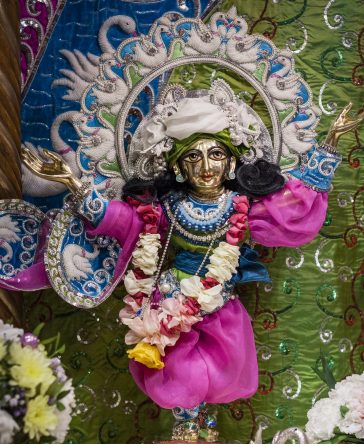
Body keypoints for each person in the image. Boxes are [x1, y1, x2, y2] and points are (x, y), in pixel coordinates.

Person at [13, 80, 347, 421]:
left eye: (216, 154)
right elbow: (120, 220)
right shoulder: (168, 208)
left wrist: (330, 143)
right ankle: (185, 426)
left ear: (231, 163)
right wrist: (73, 183)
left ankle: (197, 429)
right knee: (177, 376)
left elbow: (293, 209)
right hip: (169, 303)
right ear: (178, 167)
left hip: (219, 306)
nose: (206, 167)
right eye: (193, 156)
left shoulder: (241, 207)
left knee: (218, 372)